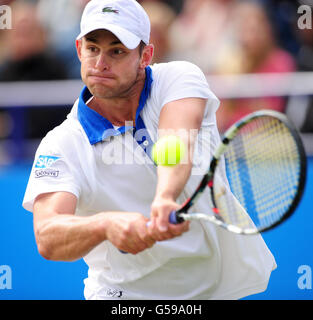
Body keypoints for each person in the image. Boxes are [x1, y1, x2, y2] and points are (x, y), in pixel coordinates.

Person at [22, 0, 276, 300]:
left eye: (117, 51)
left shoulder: (179, 78)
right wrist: (104, 225)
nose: (100, 63)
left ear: (146, 56)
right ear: (79, 50)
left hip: (214, 289)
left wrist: (164, 196)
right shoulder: (62, 143)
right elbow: (47, 235)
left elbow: (176, 140)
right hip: (120, 297)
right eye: (92, 48)